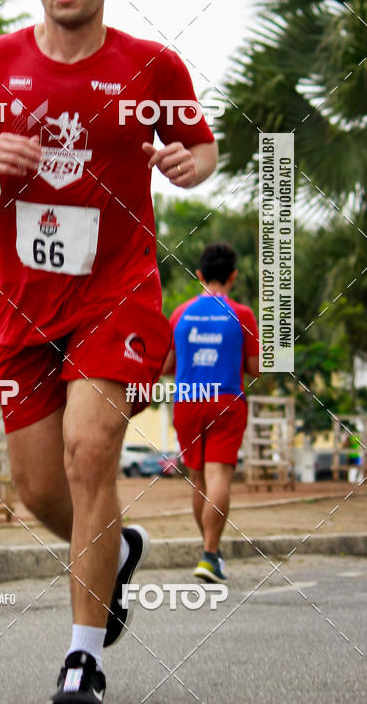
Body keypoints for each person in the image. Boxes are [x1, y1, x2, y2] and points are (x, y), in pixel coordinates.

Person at [0, 0, 217, 702]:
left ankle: (82, 660)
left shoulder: (152, 66)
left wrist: (188, 165)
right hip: (22, 303)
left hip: (116, 293)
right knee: (38, 490)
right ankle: (116, 551)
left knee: (89, 452)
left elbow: (201, 147)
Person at [164, 242, 259, 583]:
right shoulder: (242, 315)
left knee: (199, 479)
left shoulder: (180, 314)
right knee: (218, 477)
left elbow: (166, 366)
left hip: (187, 402)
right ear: (233, 276)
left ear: (199, 274)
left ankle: (210, 552)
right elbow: (256, 368)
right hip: (226, 401)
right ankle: (209, 554)